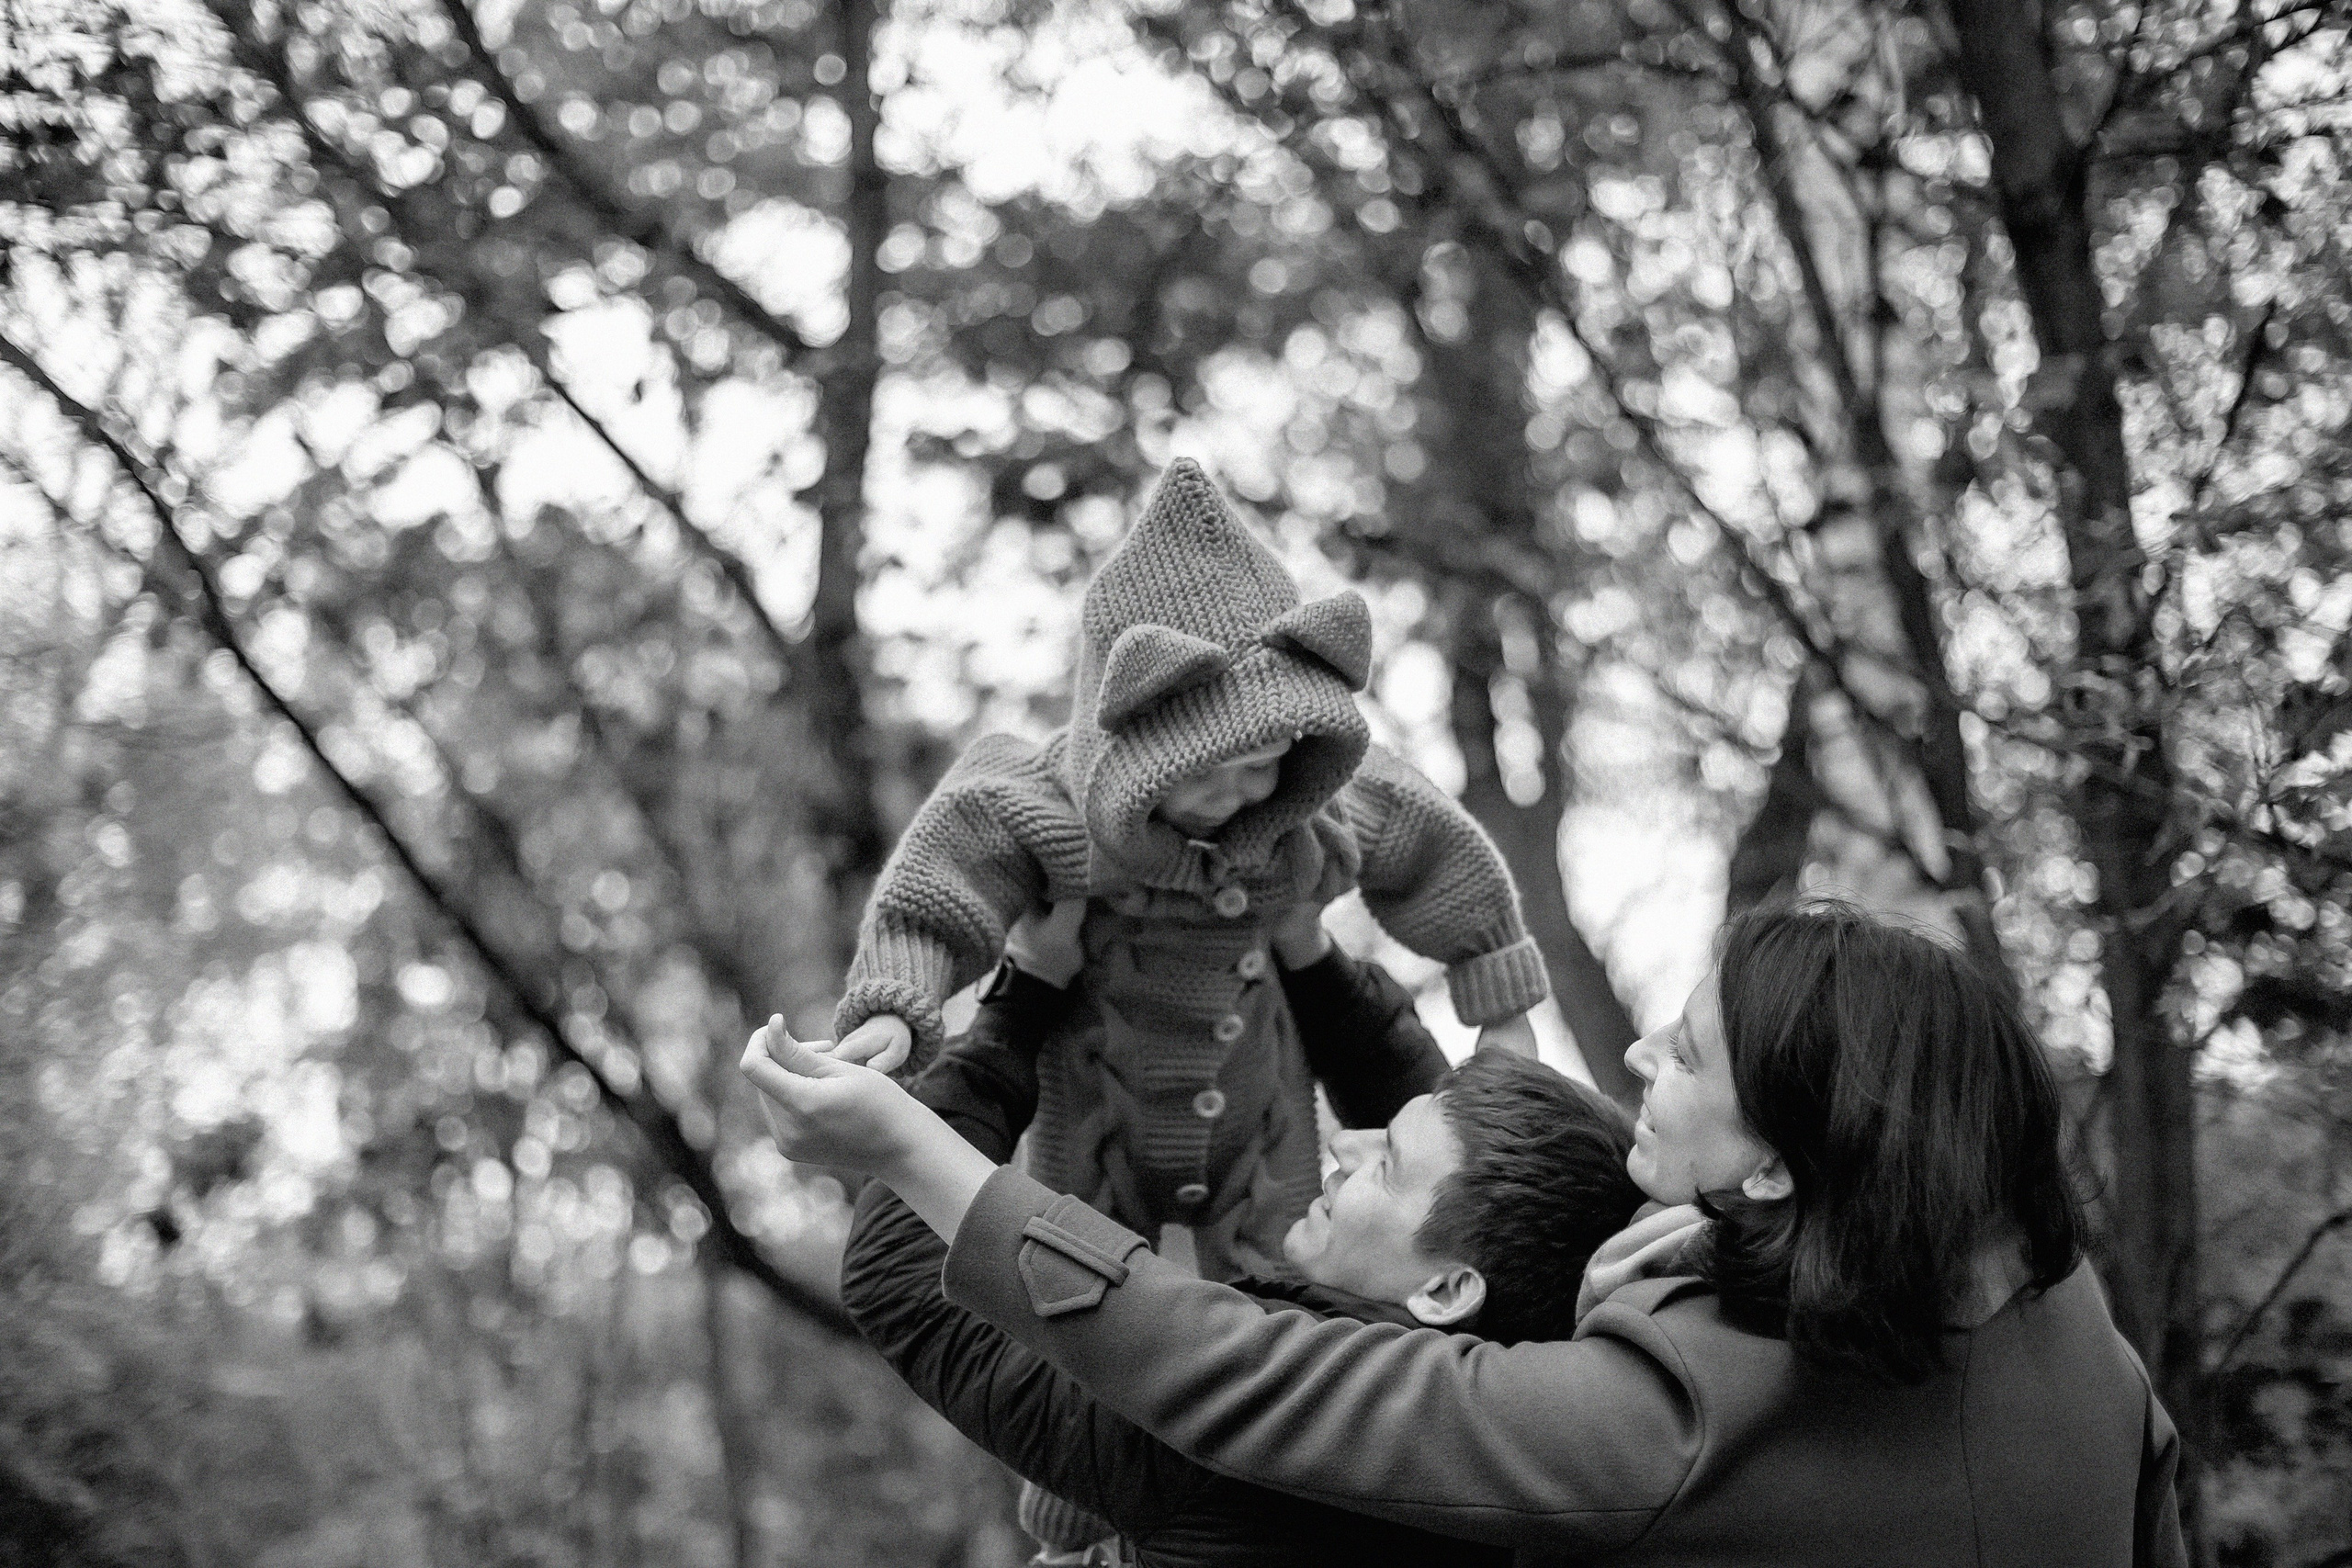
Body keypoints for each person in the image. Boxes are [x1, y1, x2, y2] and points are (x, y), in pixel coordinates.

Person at [745, 899, 2189, 1566]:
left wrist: (944, 1096)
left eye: (1684, 1059)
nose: (1636, 1061)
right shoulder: (2074, 1345)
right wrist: (1311, 956)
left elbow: (1236, 1364)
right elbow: (1467, 1138)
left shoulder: (1650, 1422)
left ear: (1775, 1169)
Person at [825, 457, 1548, 1291]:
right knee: (1077, 1299)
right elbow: (939, 887)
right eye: (1204, 768)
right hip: (1092, 1120)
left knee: (1288, 1308)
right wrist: (893, 1003)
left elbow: (1441, 855)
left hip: (1262, 1135)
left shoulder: (1323, 816)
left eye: (1266, 764)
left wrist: (1503, 1005)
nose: (1236, 792)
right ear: (1127, 748)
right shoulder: (1037, 804)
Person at [838, 916, 1644, 1568]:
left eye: (1384, 1163)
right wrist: (1308, 951)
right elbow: (1459, 1170)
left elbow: (897, 1277)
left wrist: (1020, 1004)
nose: (1346, 1145)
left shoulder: (1239, 1435)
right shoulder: (1524, 1431)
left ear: (1445, 1290)